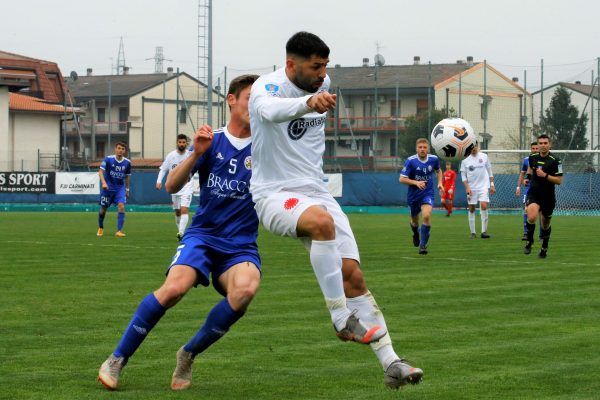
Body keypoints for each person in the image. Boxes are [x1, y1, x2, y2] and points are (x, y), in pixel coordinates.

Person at [249, 31, 422, 389]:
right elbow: (270, 112)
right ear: (290, 65)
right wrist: (307, 104)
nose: (322, 73)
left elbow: (313, 93)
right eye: (315, 66)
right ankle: (340, 317)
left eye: (325, 66)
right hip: (274, 194)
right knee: (321, 223)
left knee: (353, 277)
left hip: (317, 190)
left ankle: (391, 362)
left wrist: (314, 96)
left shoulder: (324, 82)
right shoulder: (265, 88)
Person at [98, 74, 261, 391]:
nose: (255, 105)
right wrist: (197, 154)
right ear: (231, 100)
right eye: (249, 98)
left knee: (244, 292)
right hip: (203, 236)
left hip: (240, 245)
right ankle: (117, 359)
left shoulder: (267, 147)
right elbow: (172, 186)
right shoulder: (211, 140)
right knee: (173, 289)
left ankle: (188, 354)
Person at [400, 138, 444, 255]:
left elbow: (439, 171)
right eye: (420, 147)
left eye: (425, 147)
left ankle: (423, 245)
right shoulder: (411, 161)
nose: (423, 149)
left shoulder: (434, 159)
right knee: (415, 221)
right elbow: (402, 179)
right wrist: (416, 183)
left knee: (426, 216)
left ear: (428, 149)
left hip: (427, 193)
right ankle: (415, 233)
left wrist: (440, 183)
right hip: (414, 195)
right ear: (416, 149)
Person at [523, 134, 563, 258]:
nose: (543, 145)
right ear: (538, 144)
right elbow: (530, 168)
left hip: (548, 196)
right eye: (541, 143)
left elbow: (559, 180)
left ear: (549, 144)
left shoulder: (556, 160)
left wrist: (545, 175)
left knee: (545, 224)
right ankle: (530, 241)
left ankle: (544, 247)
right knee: (532, 217)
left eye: (545, 143)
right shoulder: (532, 157)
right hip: (534, 193)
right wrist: (527, 178)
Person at [156, 134, 195, 240]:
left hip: (187, 186)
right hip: (175, 187)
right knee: (177, 211)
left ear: (186, 143)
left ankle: (181, 233)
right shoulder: (171, 156)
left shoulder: (190, 155)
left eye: (184, 142)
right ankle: (179, 230)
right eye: (180, 142)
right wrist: (159, 181)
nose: (182, 144)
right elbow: (163, 169)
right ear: (177, 143)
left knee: (184, 210)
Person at [460, 143, 495, 239]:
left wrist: (492, 185)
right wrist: (467, 188)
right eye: (471, 147)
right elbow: (463, 177)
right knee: (472, 208)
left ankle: (484, 232)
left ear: (478, 146)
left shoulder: (484, 156)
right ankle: (473, 233)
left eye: (475, 146)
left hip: (483, 186)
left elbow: (489, 171)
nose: (474, 148)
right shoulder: (465, 161)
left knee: (484, 205)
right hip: (472, 188)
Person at [97, 142, 131, 237]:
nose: (120, 150)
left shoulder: (127, 162)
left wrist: (127, 189)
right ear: (115, 149)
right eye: (119, 148)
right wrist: (103, 182)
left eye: (122, 149)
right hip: (108, 189)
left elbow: (127, 177)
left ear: (125, 151)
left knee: (121, 206)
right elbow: (100, 172)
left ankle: (119, 231)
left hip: (119, 189)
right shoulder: (108, 159)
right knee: (103, 209)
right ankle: (101, 227)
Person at [516, 141, 538, 240]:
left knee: (542, 213)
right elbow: (522, 174)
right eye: (533, 148)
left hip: (541, 188)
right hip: (529, 189)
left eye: (536, 148)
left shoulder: (544, 160)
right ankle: (526, 233)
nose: (535, 150)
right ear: (530, 149)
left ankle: (542, 235)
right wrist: (518, 187)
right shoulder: (526, 160)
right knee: (526, 210)